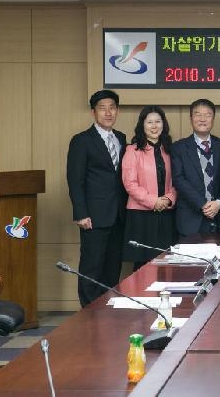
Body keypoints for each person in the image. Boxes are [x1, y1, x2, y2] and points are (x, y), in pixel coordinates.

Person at [66, 89, 127, 307]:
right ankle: (88, 315)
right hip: (93, 217)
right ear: (93, 112)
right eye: (102, 108)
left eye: (112, 108)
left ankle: (107, 312)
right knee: (91, 268)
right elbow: (75, 180)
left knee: (112, 269)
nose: (108, 113)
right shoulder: (81, 141)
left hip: (119, 216)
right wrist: (81, 213)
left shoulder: (121, 138)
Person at [121, 106, 177, 270]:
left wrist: (169, 199)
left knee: (166, 264)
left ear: (163, 124)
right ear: (142, 125)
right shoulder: (132, 150)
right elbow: (130, 183)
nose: (154, 126)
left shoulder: (170, 150)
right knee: (143, 266)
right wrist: (154, 201)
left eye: (158, 122)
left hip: (166, 213)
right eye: (150, 122)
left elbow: (177, 180)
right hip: (141, 216)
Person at [171, 99, 220, 236]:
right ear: (191, 118)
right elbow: (178, 179)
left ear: (213, 118)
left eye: (207, 115)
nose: (203, 119)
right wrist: (203, 204)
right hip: (190, 218)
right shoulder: (178, 148)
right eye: (198, 114)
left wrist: (219, 202)